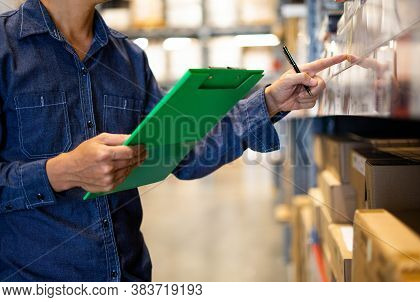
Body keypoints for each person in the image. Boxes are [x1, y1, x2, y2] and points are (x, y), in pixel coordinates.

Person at [0, 0, 347, 281]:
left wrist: (271, 101)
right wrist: (61, 172)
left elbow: (184, 152)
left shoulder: (128, 58)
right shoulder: (5, 49)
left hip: (128, 275)